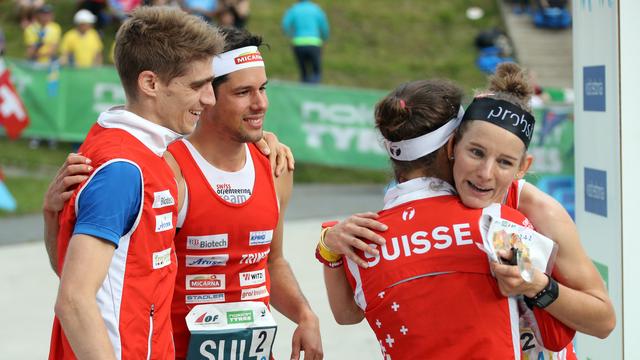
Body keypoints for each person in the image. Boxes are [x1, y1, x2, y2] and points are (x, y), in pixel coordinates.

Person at [44, 27, 322, 360]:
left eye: (262, 89)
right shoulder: (163, 169)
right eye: (243, 92)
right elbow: (90, 282)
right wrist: (54, 217)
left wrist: (305, 314)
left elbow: (272, 261)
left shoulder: (275, 165)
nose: (260, 103)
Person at [324, 64, 615, 358]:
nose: (485, 174)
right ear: (454, 147)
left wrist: (538, 285)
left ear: (521, 168)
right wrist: (329, 247)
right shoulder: (397, 219)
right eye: (475, 152)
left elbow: (603, 320)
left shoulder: (534, 208)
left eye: (504, 162)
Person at [47, 6, 224, 359]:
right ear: (150, 83)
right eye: (197, 85)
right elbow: (74, 299)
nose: (210, 98)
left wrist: (49, 216)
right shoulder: (124, 169)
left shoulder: (136, 149)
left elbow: (80, 272)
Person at [281, 0, 329, 84]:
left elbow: (285, 24)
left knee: (303, 72)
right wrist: (324, 38)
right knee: (316, 71)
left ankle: (304, 91)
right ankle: (314, 90)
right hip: (314, 43)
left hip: (298, 43)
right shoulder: (316, 9)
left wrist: (290, 35)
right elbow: (324, 26)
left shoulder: (294, 9)